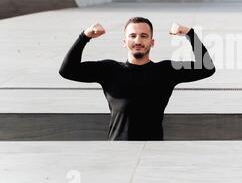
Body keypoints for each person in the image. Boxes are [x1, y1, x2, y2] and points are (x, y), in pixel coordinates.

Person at [59, 17, 215, 140]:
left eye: (144, 36)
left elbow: (207, 68)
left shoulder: (166, 70)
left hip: (153, 154)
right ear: (124, 42)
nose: (138, 41)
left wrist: (190, 34)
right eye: (132, 36)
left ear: (152, 42)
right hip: (117, 152)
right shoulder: (109, 70)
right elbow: (67, 70)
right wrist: (84, 36)